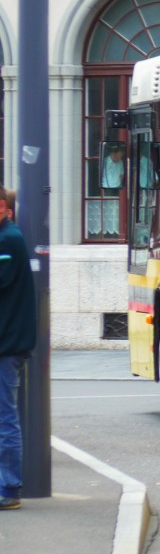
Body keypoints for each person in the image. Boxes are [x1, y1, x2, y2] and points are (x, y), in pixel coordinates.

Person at [0, 185, 37, 510]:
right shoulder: (8, 238)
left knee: (5, 418)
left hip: (6, 345)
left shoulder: (7, 241)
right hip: (7, 342)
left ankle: (9, 489)